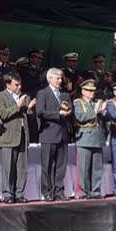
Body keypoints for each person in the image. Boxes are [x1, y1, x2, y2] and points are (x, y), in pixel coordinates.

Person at [0, 73, 37, 203]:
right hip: (8, 136)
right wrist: (18, 105)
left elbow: (26, 116)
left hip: (23, 135)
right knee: (8, 168)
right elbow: (2, 114)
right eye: (16, 84)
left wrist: (29, 108)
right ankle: (8, 194)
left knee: (22, 168)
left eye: (20, 84)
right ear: (8, 84)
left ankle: (19, 193)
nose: (19, 87)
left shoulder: (23, 97)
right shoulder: (0, 97)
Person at [37, 68, 73, 201]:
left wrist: (68, 111)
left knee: (61, 165)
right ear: (50, 79)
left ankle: (59, 190)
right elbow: (40, 112)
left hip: (62, 134)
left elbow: (70, 111)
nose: (60, 81)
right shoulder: (42, 93)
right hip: (48, 134)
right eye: (57, 78)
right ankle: (47, 191)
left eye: (60, 78)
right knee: (47, 165)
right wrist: (58, 114)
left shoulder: (64, 95)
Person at [74, 79, 107, 199]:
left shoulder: (96, 102)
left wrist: (103, 112)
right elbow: (81, 117)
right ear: (83, 91)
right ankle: (83, 191)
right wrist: (95, 112)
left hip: (97, 137)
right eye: (89, 90)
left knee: (96, 167)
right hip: (85, 137)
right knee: (84, 167)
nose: (92, 93)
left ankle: (95, 190)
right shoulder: (78, 103)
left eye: (93, 90)